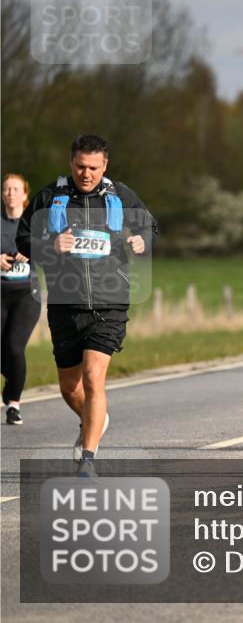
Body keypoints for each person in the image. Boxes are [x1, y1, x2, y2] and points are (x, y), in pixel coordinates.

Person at [16, 135, 156, 476]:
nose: (86, 173)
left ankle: (88, 459)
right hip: (65, 304)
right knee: (70, 387)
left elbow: (149, 226)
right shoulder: (50, 197)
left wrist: (141, 240)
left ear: (104, 165)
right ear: (71, 163)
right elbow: (23, 238)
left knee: (94, 377)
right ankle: (95, 418)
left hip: (110, 303)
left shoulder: (120, 195)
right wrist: (50, 244)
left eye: (93, 167)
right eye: (80, 166)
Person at [2, 174, 41, 425]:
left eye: (16, 189)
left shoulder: (34, 225)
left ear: (25, 195)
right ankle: (14, 379)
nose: (11, 193)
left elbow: (53, 254)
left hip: (27, 293)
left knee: (14, 347)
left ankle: (13, 403)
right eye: (6, 189)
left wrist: (32, 251)